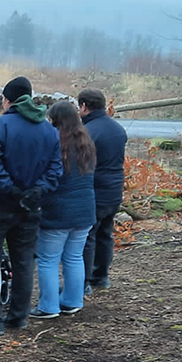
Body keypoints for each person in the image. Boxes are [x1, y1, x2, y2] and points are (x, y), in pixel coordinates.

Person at [0, 76, 63, 336]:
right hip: (31, 208)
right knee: (23, 262)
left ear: (8, 100)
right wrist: (37, 191)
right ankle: (18, 317)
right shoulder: (50, 131)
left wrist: (13, 191)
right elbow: (56, 170)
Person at [31, 100, 97, 319]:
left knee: (48, 259)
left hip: (58, 212)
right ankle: (72, 300)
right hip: (85, 209)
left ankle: (49, 306)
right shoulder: (86, 142)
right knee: (74, 256)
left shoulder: (53, 143)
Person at [78, 88, 128, 295]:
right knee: (105, 233)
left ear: (84, 106)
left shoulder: (88, 132)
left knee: (88, 235)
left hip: (95, 189)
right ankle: (102, 276)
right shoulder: (117, 129)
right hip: (115, 188)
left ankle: (85, 281)